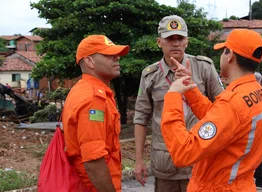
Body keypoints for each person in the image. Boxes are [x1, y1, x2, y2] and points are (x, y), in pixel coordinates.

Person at [160, 29, 262, 191]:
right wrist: (190, 89)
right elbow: (221, 121)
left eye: (223, 51)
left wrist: (173, 95)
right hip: (240, 184)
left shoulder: (232, 102)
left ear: (230, 56)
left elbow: (183, 152)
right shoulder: (258, 93)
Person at [133, 15, 224, 192]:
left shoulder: (204, 67)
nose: (175, 43)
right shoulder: (150, 75)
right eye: (170, 39)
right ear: (159, 42)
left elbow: (222, 107)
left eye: (180, 38)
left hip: (200, 160)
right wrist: (138, 160)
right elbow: (141, 117)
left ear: (186, 41)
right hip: (165, 163)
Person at [62, 35, 129, 192]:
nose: (117, 58)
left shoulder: (83, 89)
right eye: (109, 55)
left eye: (116, 54)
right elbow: (93, 160)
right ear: (90, 61)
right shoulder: (93, 99)